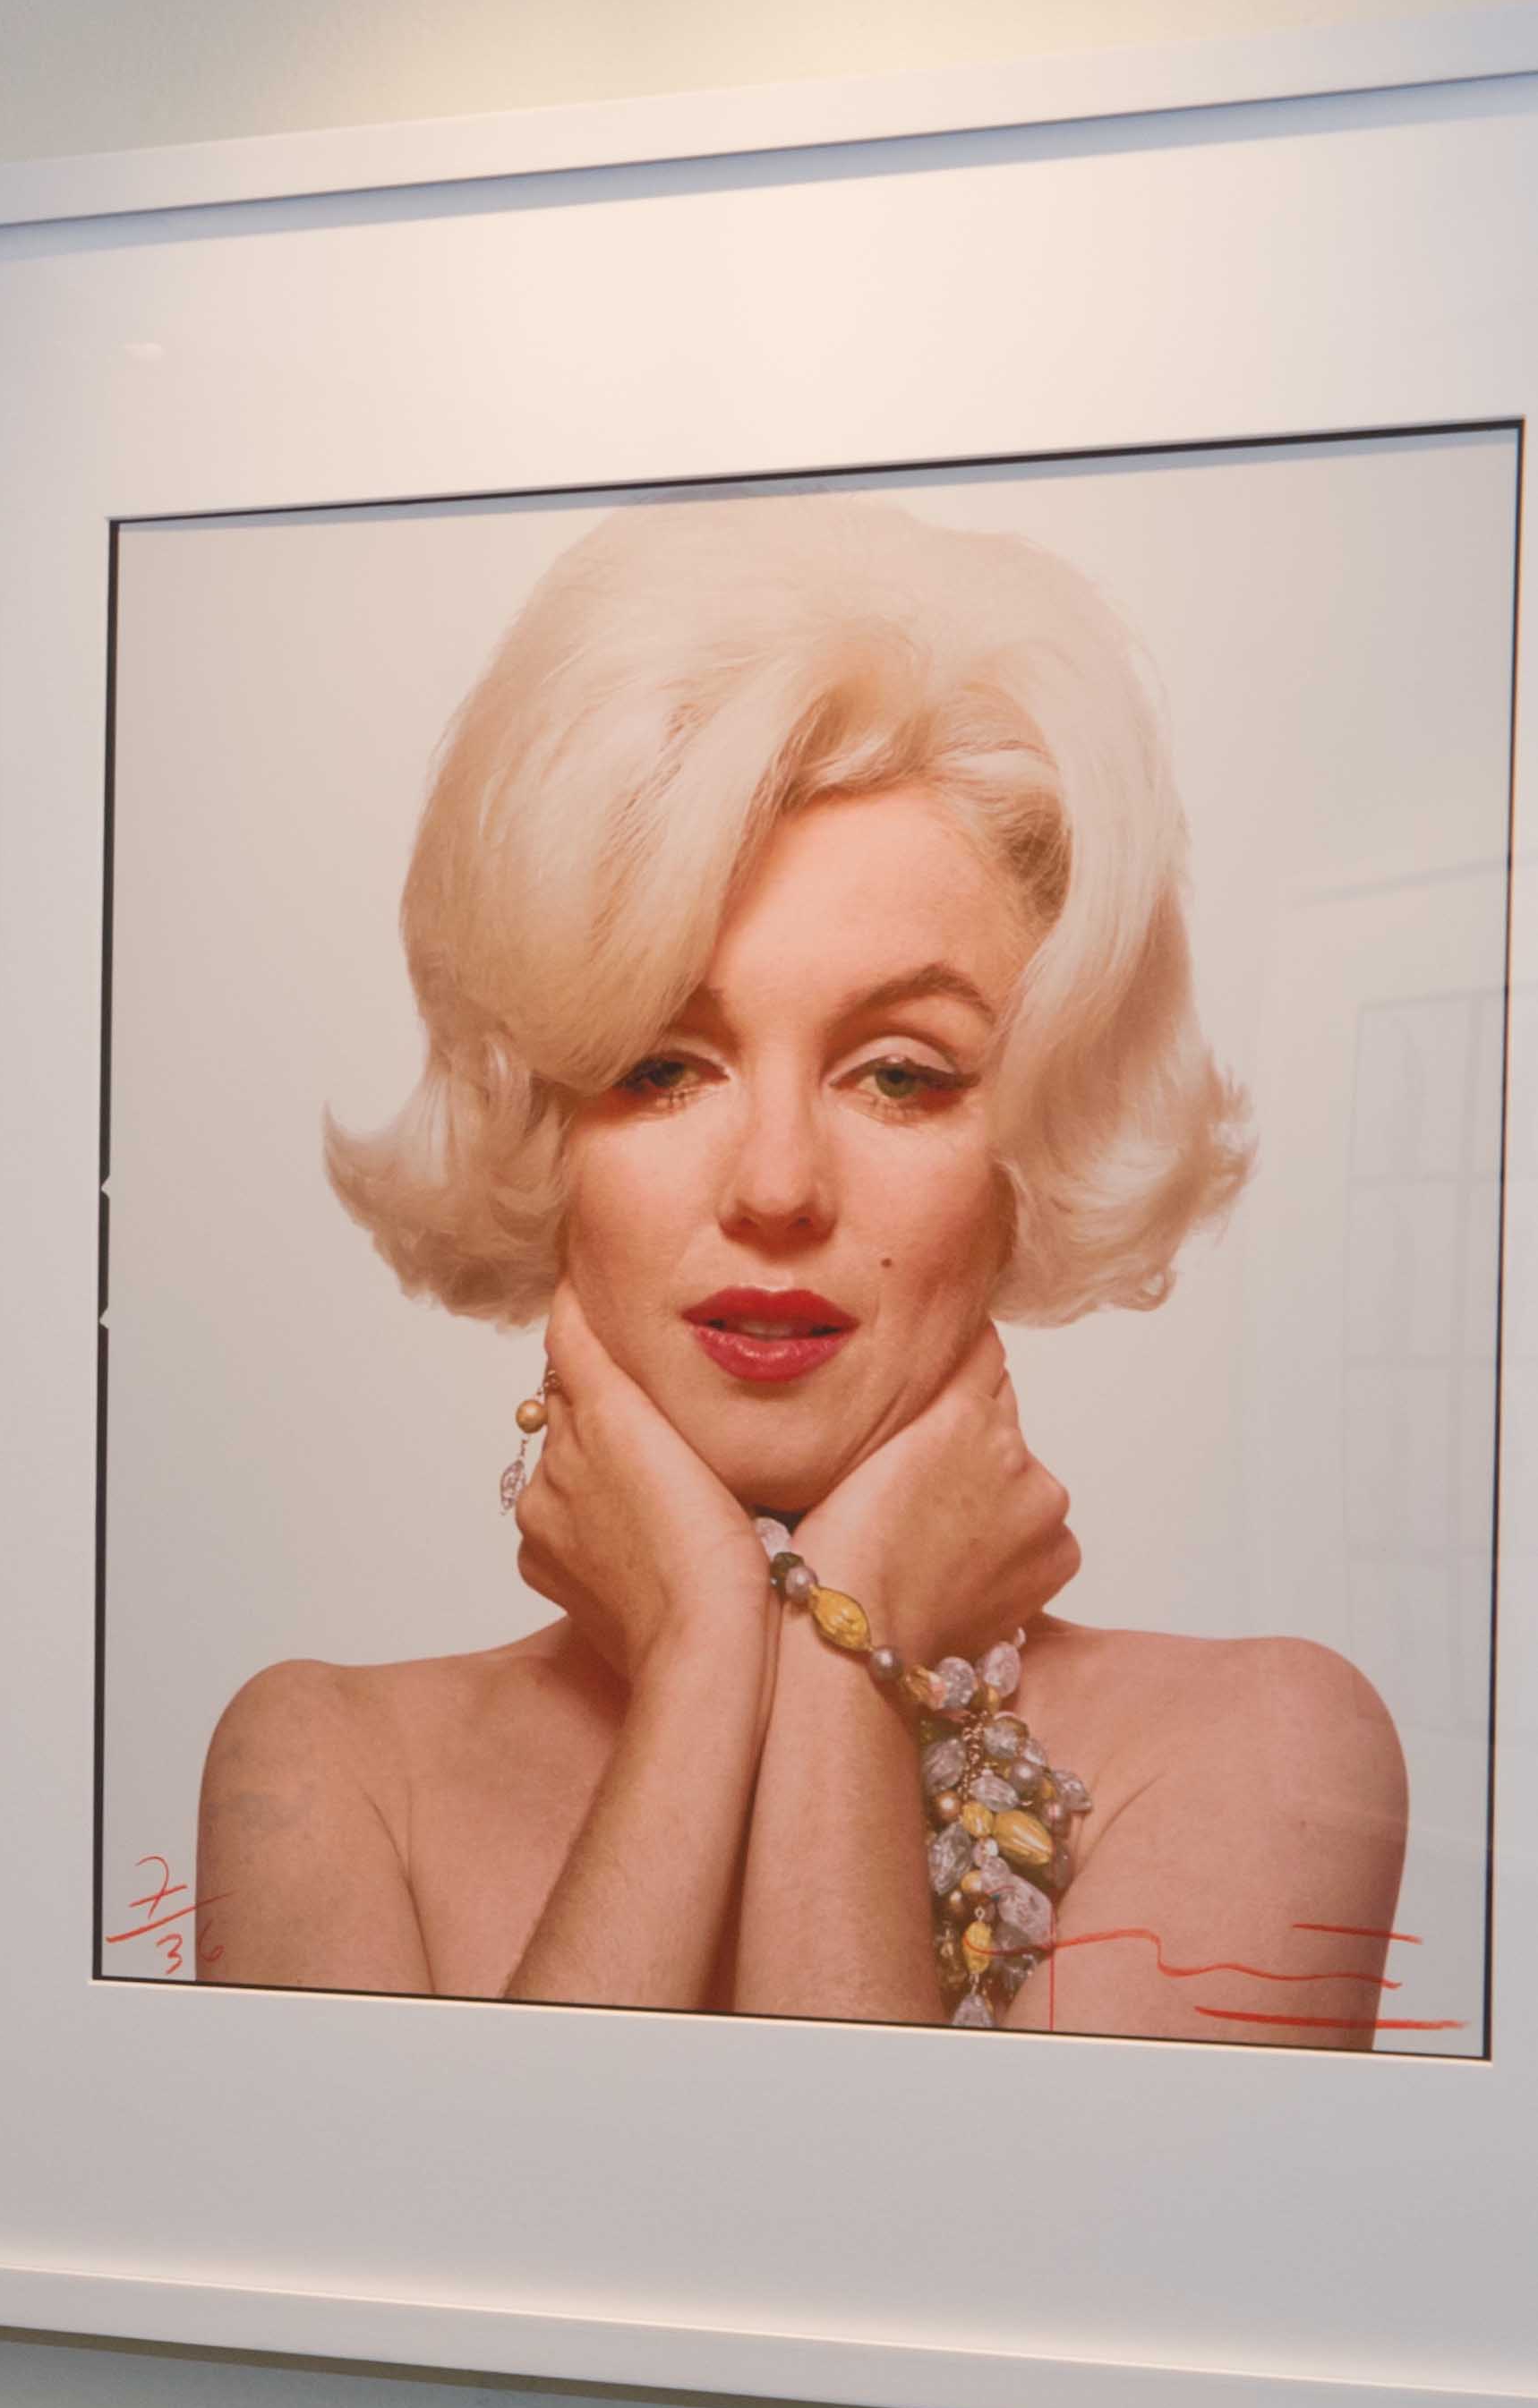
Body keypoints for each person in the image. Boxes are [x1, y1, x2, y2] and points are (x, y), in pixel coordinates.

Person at [198, 492, 1410, 2037]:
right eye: (660, 1066)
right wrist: (706, 1662)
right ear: (539, 1124)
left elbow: (870, 2203)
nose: (775, 1188)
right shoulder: (327, 1768)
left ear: (1041, 1132)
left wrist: (837, 1656)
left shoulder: (1260, 1749)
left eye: (898, 1073)